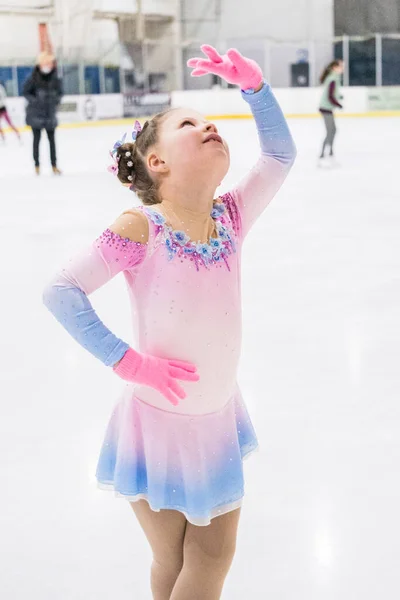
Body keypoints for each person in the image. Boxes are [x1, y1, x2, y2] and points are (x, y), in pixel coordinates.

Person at [43, 45, 296, 600]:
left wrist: (254, 87)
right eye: (189, 123)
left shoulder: (230, 217)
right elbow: (61, 291)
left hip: (215, 416)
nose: (209, 125)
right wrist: (130, 363)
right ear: (157, 162)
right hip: (156, 425)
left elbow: (278, 156)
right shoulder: (143, 226)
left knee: (190, 558)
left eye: (210, 121)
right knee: (196, 558)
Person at [23, 52, 62, 175]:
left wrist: (54, 101)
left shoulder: (55, 78)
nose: (47, 65)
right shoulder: (33, 78)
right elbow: (26, 92)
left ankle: (54, 165)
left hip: (49, 114)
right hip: (35, 114)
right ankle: (37, 165)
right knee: (36, 140)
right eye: (45, 63)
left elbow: (60, 93)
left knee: (52, 141)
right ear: (40, 64)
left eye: (49, 63)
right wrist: (36, 101)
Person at [318, 59, 344, 167]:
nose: (342, 69)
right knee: (330, 131)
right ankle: (323, 155)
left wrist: (339, 97)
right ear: (334, 67)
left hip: (327, 108)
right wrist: (338, 104)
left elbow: (332, 93)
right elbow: (330, 96)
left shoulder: (333, 78)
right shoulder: (333, 78)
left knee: (333, 130)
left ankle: (330, 153)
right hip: (326, 108)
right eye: (341, 66)